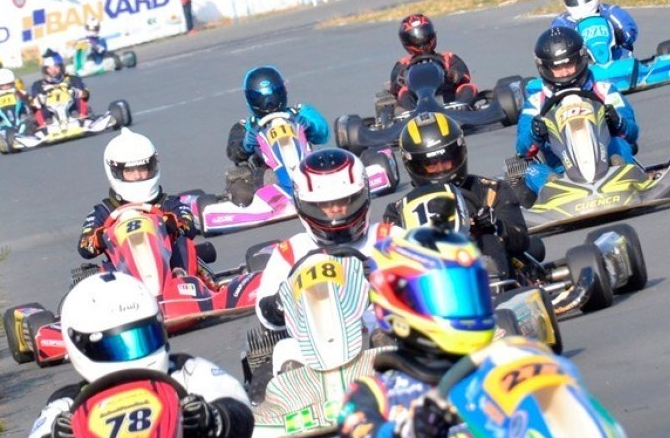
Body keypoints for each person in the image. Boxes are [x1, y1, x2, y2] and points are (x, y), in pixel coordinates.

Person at [22, 272, 256, 438]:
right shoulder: (68, 404)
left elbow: (238, 409)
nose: (133, 353)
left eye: (143, 338)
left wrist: (210, 418)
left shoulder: (185, 371)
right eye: (117, 345)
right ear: (81, 345)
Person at [339, 225, 536, 438]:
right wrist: (409, 432)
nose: (466, 307)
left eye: (469, 293)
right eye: (451, 296)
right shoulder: (373, 393)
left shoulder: (500, 371)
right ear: (398, 301)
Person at [253, 148, 401, 333]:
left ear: (362, 196)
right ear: (304, 205)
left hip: (386, 334)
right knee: (284, 349)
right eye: (325, 204)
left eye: (344, 201)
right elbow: (266, 314)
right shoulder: (290, 252)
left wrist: (380, 279)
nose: (336, 210)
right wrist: (283, 299)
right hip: (316, 339)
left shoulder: (388, 237)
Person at [383, 113, 531, 278]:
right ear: (414, 165)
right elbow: (392, 262)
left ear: (459, 153)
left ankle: (495, 282)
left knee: (489, 235)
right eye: (431, 164)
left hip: (489, 280)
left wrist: (496, 226)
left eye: (446, 160)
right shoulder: (398, 211)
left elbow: (522, 240)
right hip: (429, 283)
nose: (440, 169)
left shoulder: (491, 191)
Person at [515, 27, 640, 206]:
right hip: (560, 170)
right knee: (519, 169)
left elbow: (632, 133)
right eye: (557, 67)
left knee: (620, 144)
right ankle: (555, 189)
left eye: (569, 64)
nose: (565, 72)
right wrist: (535, 133)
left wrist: (618, 121)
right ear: (545, 68)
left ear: (581, 59)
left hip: (606, 160)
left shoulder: (604, 90)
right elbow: (522, 148)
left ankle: (622, 176)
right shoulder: (536, 103)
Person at [76, 128, 200, 274]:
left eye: (142, 169)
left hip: (170, 268)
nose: (137, 176)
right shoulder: (104, 211)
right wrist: (102, 238)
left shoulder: (168, 203)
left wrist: (171, 225)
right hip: (124, 275)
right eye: (129, 171)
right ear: (115, 172)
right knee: (96, 274)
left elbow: (188, 226)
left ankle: (185, 279)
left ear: (152, 167)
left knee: (184, 245)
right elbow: (85, 246)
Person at [223, 66, 329, 204]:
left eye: (274, 95)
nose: (269, 104)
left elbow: (323, 133)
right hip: (268, 172)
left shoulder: (300, 113)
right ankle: (276, 198)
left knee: (330, 158)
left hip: (307, 164)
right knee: (244, 182)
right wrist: (245, 145)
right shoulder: (246, 126)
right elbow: (233, 152)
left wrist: (311, 127)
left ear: (282, 92)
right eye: (259, 98)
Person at [387, 13, 478, 109]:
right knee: (403, 92)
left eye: (425, 35)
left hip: (448, 96)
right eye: (415, 39)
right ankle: (413, 113)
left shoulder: (448, 57)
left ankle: (462, 109)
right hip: (417, 101)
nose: (422, 41)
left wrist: (453, 75)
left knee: (468, 87)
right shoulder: (403, 64)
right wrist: (401, 80)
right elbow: (394, 88)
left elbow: (464, 75)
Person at [550, 0, 638, 60]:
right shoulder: (562, 23)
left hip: (617, 57)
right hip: (582, 63)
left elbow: (630, 30)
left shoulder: (610, 12)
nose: (580, 3)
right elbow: (557, 48)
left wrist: (619, 35)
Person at [30, 51, 89, 127]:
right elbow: (33, 104)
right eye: (49, 68)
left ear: (61, 67)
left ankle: (81, 118)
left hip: (72, 108)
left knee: (79, 100)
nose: (53, 70)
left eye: (56, 67)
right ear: (45, 70)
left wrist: (75, 92)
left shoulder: (73, 79)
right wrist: (39, 100)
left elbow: (85, 95)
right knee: (38, 109)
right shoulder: (38, 85)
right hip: (50, 113)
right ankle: (45, 124)